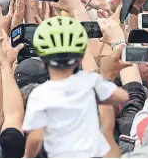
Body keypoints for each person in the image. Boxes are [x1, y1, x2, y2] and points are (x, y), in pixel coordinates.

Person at [22, 16, 129, 158]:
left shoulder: (39, 94)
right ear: (81, 57)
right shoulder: (90, 81)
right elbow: (123, 97)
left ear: (41, 59)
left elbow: (35, 137)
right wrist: (100, 90)